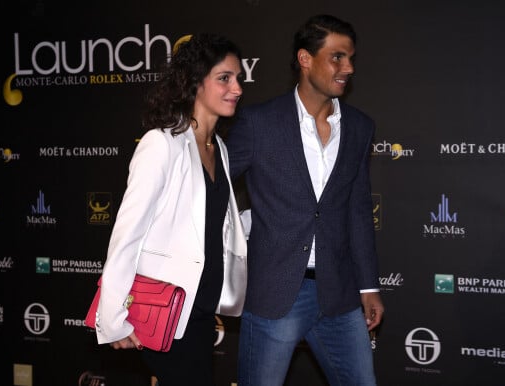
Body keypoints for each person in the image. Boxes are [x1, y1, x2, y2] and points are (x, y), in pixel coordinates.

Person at [226, 14, 384, 386]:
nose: (348, 67)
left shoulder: (360, 126)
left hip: (341, 294)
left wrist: (369, 285)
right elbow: (215, 188)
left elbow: (358, 209)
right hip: (275, 293)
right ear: (305, 59)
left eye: (351, 58)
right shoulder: (258, 122)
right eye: (337, 57)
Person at [93, 33, 247, 386]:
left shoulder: (218, 147)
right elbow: (127, 234)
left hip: (203, 307)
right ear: (195, 83)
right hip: (167, 310)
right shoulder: (161, 143)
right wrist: (112, 316)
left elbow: (209, 224)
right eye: (224, 78)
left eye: (238, 78)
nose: (236, 88)